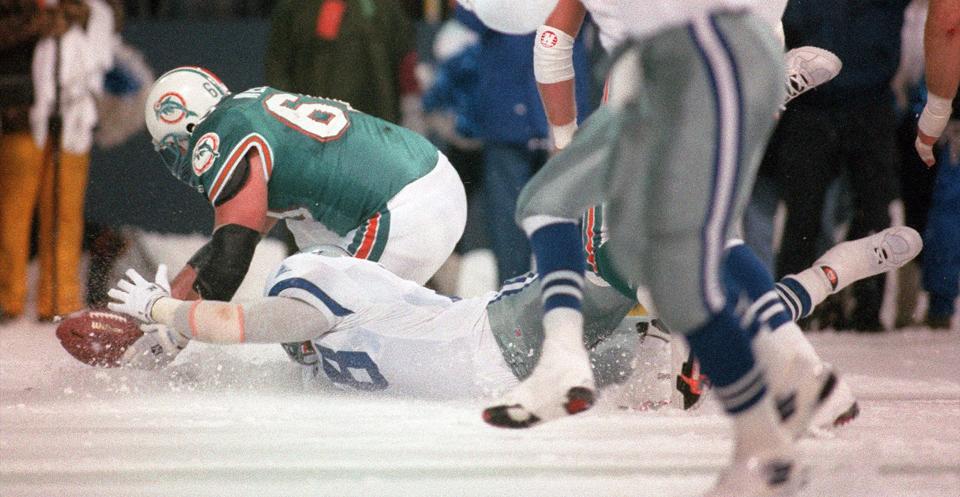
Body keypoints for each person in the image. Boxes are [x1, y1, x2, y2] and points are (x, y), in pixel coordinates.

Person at [461, 0, 843, 494]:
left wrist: (565, 138)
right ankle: (778, 401)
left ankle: (787, 376)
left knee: (649, 243)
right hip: (696, 69)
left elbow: (549, 41)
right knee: (665, 260)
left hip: (682, 74)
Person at [103, 227, 918, 410]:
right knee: (661, 341)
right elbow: (273, 334)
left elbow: (258, 329)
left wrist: (164, 316)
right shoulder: (322, 298)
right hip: (506, 345)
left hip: (505, 340)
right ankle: (816, 279)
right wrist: (164, 325)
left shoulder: (313, 298)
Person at [141, 66, 467, 359]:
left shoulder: (218, 134)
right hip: (426, 180)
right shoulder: (247, 109)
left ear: (190, 124)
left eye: (175, 145)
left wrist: (175, 327)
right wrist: (170, 298)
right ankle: (428, 326)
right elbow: (237, 238)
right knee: (312, 274)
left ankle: (461, 340)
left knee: (316, 335)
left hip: (403, 208)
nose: (180, 155)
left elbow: (232, 253)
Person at [0, 0, 115, 321]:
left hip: (74, 112)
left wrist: (79, 12)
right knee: (12, 208)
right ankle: (7, 298)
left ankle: (60, 299)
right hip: (19, 111)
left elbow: (113, 19)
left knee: (66, 208)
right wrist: (41, 19)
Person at [264, 0, 419, 126]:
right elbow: (278, 65)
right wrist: (285, 116)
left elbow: (404, 61)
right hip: (314, 124)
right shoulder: (296, 7)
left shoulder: (384, 7)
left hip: (376, 123)